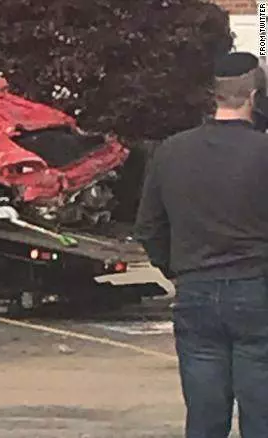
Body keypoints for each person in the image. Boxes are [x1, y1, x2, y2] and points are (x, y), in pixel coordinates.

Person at [134, 51, 268, 438]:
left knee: (205, 414)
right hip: (256, 288)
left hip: (194, 289)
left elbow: (148, 227)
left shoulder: (170, 151)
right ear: (254, 97)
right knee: (261, 410)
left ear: (214, 95)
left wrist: (176, 268)